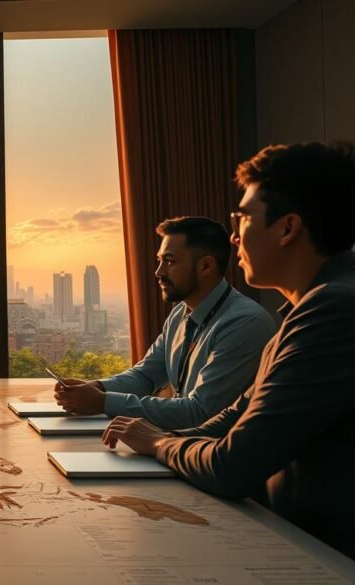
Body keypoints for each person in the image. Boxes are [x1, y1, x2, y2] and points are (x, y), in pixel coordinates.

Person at [102, 142, 355, 558]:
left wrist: (159, 445)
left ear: (288, 228)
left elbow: (232, 465)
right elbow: (234, 418)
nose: (233, 236)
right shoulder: (305, 309)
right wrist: (153, 437)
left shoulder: (333, 310)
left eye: (242, 218)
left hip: (321, 558)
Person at [54, 216, 276, 430]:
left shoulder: (244, 324)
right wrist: (95, 388)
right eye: (160, 261)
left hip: (212, 459)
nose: (158, 272)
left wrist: (103, 402)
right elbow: (146, 375)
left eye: (169, 262)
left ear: (206, 266)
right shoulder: (181, 313)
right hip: (178, 446)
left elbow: (200, 413)